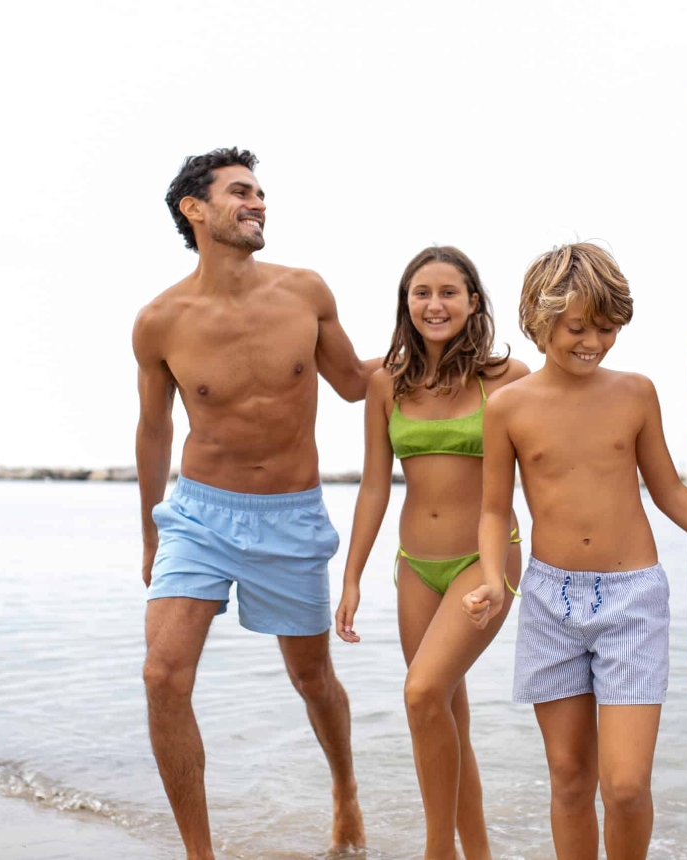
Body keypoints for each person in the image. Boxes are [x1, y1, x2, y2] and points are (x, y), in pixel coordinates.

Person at [464, 243, 687, 860]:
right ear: (539, 318)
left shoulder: (635, 393)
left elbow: (669, 493)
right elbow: (496, 509)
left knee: (625, 786)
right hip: (548, 599)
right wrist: (495, 579)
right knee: (571, 779)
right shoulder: (507, 407)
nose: (594, 341)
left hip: (632, 599)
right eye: (578, 327)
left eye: (608, 328)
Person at [133, 147, 377, 858]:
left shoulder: (306, 292)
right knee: (162, 675)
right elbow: (153, 431)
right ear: (196, 209)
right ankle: (199, 854)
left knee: (311, 677)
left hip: (291, 513)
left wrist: (459, 354)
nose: (258, 202)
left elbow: (358, 383)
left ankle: (345, 790)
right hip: (198, 514)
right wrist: (151, 534)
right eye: (241, 192)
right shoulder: (159, 321)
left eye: (262, 193)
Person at [333, 246, 529, 860]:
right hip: (414, 564)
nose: (435, 304)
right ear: (406, 303)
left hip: (486, 559)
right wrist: (353, 578)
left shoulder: (510, 379)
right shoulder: (384, 383)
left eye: (449, 291)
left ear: (474, 302)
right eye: (422, 292)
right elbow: (372, 486)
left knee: (421, 695)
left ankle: (436, 851)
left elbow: (552, 467)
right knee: (442, 711)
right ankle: (478, 854)